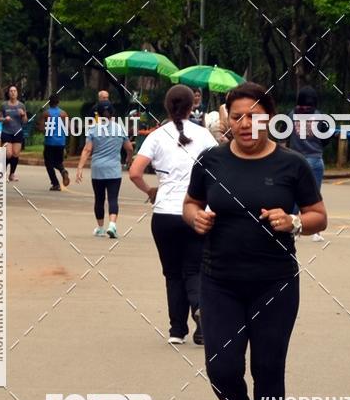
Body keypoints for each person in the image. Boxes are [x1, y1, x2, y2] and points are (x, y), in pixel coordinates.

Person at [183, 82, 327, 400]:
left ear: (270, 119)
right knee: (221, 367)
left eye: (255, 116)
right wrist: (195, 218)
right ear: (227, 119)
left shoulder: (291, 164)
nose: (246, 124)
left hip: (274, 283)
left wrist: (293, 221)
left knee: (268, 367)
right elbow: (191, 203)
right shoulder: (211, 161)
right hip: (220, 281)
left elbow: (319, 215)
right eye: (238, 116)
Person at [129, 85, 217, 345]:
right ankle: (201, 314)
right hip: (196, 211)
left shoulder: (156, 136)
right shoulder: (204, 136)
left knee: (172, 272)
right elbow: (219, 169)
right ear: (193, 107)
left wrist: (150, 190)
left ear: (167, 107)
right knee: (194, 268)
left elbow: (135, 171)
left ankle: (177, 330)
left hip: (164, 214)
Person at [76, 101, 133, 238]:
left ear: (98, 114)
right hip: (114, 169)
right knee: (113, 198)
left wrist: (80, 167)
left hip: (98, 169)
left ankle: (100, 228)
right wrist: (129, 159)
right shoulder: (120, 129)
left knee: (99, 199)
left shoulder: (93, 129)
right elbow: (129, 148)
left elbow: (87, 149)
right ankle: (112, 225)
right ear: (113, 113)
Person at [289, 85, 327, 241]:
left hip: (295, 158)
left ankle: (292, 227)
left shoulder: (291, 115)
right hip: (314, 158)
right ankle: (315, 232)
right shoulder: (320, 117)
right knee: (314, 196)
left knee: (293, 195)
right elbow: (326, 138)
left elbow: (283, 135)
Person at [39, 93, 70, 191]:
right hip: (61, 142)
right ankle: (63, 171)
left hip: (50, 142)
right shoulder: (63, 114)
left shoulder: (46, 114)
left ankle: (55, 183)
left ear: (49, 102)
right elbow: (68, 128)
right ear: (58, 102)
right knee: (58, 162)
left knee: (49, 163)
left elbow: (41, 128)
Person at [0, 85, 27, 181]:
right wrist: (4, 119)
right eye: (11, 91)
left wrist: (22, 115)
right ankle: (3, 173)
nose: (13, 92)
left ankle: (12, 174)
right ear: (8, 93)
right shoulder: (4, 105)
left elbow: (25, 121)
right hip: (6, 132)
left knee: (15, 154)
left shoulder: (21, 105)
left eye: (15, 91)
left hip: (18, 132)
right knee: (8, 154)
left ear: (17, 93)